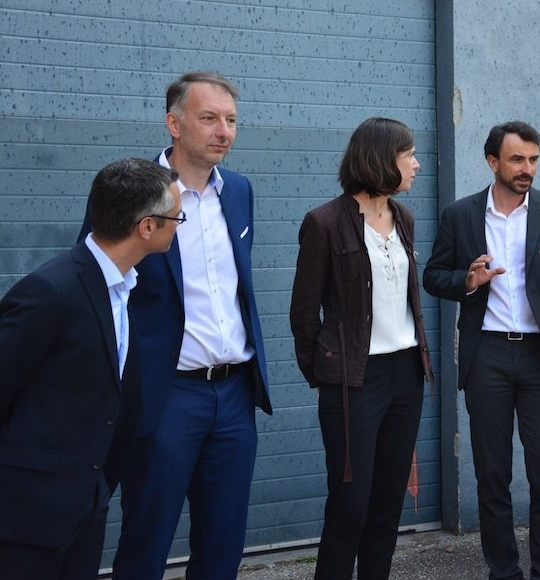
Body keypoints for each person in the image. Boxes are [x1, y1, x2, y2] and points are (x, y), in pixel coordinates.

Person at [78, 71, 273, 579]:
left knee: (223, 545)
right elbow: (93, 285)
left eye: (230, 120)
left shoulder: (240, 191)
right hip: (166, 396)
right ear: (174, 123)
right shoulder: (133, 191)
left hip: (233, 396)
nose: (223, 131)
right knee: (147, 539)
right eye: (209, 118)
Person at [423, 121, 540, 580]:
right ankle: (503, 573)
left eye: (534, 159)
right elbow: (432, 276)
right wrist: (467, 279)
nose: (527, 169)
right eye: (517, 159)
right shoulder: (460, 215)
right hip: (489, 359)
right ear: (492, 162)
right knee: (491, 477)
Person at [0, 158, 180, 579]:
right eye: (177, 217)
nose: (180, 225)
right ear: (147, 226)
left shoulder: (124, 288)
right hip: (27, 521)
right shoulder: (50, 291)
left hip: (84, 511)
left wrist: (98, 490)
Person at [289, 117, 434, 580]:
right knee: (351, 504)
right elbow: (303, 312)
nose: (416, 164)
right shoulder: (324, 223)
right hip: (353, 381)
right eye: (407, 154)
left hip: (406, 375)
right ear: (380, 159)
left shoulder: (404, 219)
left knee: (388, 504)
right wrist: (324, 374)